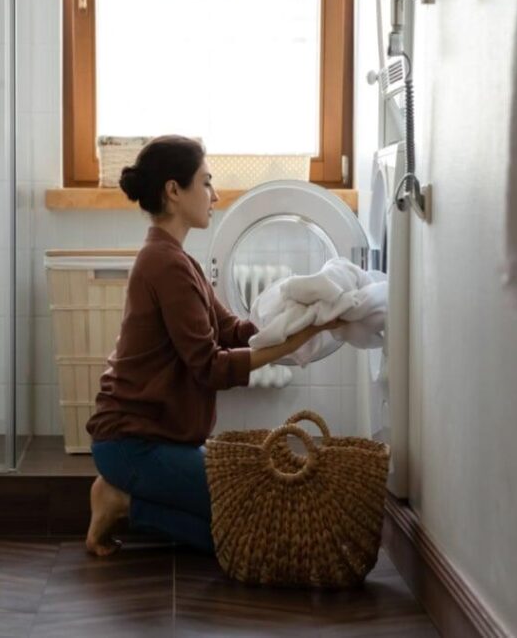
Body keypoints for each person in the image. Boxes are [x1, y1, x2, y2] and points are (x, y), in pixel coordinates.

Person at [84, 135, 341, 557]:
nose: (215, 195)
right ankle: (120, 500)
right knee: (244, 537)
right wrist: (293, 343)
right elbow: (211, 368)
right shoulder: (164, 264)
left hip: (160, 441)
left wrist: (303, 314)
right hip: (134, 445)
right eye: (205, 183)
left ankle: (128, 500)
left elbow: (233, 330)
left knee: (246, 521)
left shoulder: (179, 260)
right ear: (173, 191)